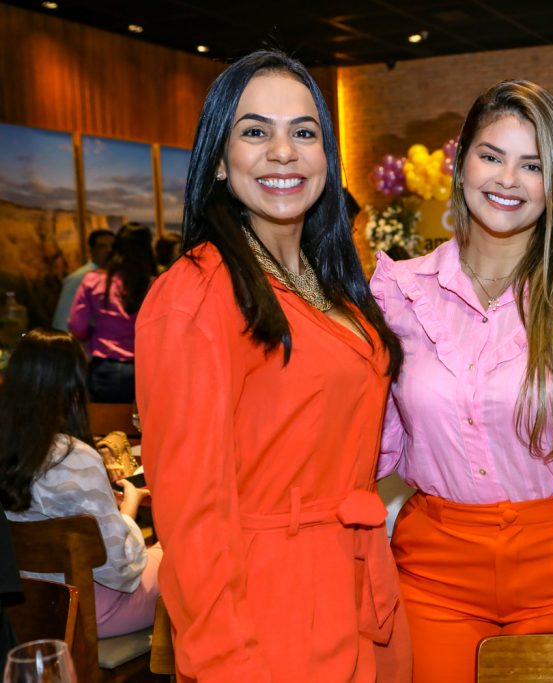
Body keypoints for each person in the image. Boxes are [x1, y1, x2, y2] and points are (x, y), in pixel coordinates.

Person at [133, 50, 409, 683]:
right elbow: (193, 518)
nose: (283, 151)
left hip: (360, 590)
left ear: (326, 158)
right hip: (267, 616)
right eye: (255, 131)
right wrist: (226, 662)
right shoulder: (194, 295)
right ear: (221, 162)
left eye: (303, 132)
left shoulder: (330, 283)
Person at [370, 79, 553, 683]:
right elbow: (367, 439)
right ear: (460, 165)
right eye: (492, 156)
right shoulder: (398, 294)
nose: (508, 179)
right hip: (436, 571)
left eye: (532, 164)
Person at [0, 329, 161, 638]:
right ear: (72, 386)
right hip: (87, 611)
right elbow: (121, 569)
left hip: (25, 605)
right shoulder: (73, 457)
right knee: (182, 555)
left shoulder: (11, 448)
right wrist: (128, 508)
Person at [68, 223, 156, 403]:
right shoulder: (155, 284)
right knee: (142, 426)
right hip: (145, 368)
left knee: (105, 424)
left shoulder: (95, 280)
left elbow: (77, 327)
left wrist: (98, 332)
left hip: (105, 369)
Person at [51, 229, 115, 331]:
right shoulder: (79, 279)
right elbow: (63, 319)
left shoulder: (111, 277)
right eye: (102, 246)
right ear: (92, 250)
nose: (109, 250)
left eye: (112, 246)